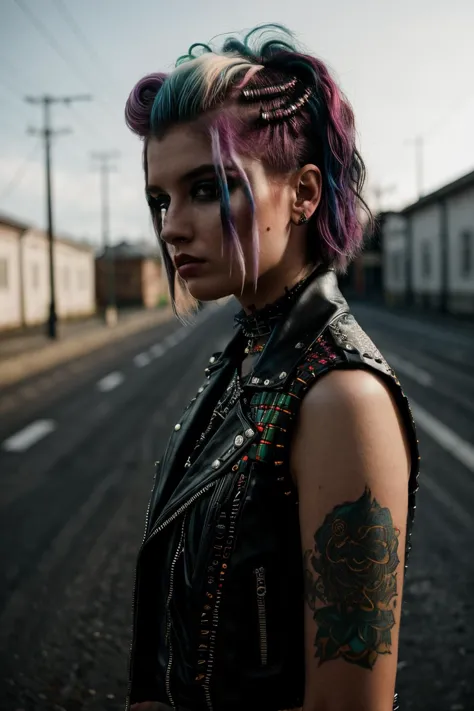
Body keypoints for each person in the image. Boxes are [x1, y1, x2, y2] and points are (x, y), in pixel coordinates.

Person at [124, 24, 419, 711]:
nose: (170, 226)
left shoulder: (343, 397)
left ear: (304, 193)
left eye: (207, 187)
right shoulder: (246, 357)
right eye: (161, 199)